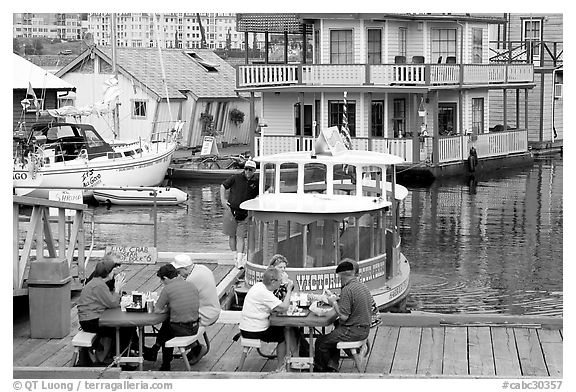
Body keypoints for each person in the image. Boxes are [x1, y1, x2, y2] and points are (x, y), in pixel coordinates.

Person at [76, 254, 137, 367]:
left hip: (90, 317)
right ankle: (120, 358)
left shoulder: (96, 282)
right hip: (90, 321)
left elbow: (109, 301)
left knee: (124, 328)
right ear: (109, 272)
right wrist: (117, 289)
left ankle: (123, 355)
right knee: (124, 329)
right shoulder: (99, 286)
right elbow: (112, 303)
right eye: (114, 269)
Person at [313, 259, 372, 373]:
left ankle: (321, 371)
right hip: (364, 328)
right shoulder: (361, 286)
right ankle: (332, 364)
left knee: (321, 342)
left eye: (339, 277)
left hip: (353, 330)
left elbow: (344, 317)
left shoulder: (347, 289)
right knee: (334, 332)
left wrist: (333, 302)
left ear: (342, 276)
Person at [143, 264, 202, 371]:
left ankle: (162, 359)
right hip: (195, 325)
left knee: (166, 333)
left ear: (165, 278)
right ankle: (155, 350)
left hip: (182, 328)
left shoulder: (168, 289)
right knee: (167, 327)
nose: (162, 283)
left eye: (162, 280)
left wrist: (168, 308)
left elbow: (157, 310)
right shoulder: (190, 284)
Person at [239, 267, 295, 371]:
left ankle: (296, 356)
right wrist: (289, 291)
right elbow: (284, 307)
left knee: (286, 329)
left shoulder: (258, 286)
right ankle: (280, 367)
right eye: (280, 281)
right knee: (284, 334)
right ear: (273, 281)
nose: (281, 283)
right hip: (254, 330)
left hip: (246, 326)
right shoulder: (264, 293)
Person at [171, 254, 221, 361]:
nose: (179, 275)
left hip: (204, 314)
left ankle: (194, 347)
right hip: (213, 309)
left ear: (185, 268)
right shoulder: (203, 268)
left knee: (174, 321)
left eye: (179, 272)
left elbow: (180, 301)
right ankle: (194, 347)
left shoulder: (191, 280)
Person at [220, 159, 258, 269]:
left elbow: (264, 190)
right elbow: (223, 186)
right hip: (231, 210)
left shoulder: (256, 182)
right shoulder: (235, 178)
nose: (247, 171)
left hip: (245, 213)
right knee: (232, 235)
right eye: (246, 169)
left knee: (241, 236)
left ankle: (240, 258)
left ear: (254, 170)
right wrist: (223, 200)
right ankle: (235, 257)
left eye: (250, 169)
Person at [348, 259, 382, 328]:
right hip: (372, 318)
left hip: (365, 322)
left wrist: (333, 301)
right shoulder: (359, 283)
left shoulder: (353, 285)